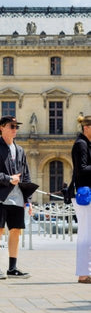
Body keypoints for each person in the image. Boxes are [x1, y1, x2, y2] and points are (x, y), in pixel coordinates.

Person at [0, 116, 38, 278]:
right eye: (11, 126)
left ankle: (12, 268)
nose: (15, 129)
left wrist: (28, 200)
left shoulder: (20, 150)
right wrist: (8, 179)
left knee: (15, 231)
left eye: (16, 126)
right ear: (2, 128)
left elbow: (26, 176)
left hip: (18, 197)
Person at [71, 113, 91, 282]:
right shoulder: (81, 145)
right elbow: (82, 169)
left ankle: (86, 272)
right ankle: (83, 274)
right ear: (86, 128)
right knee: (86, 234)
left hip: (86, 193)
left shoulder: (85, 144)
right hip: (85, 194)